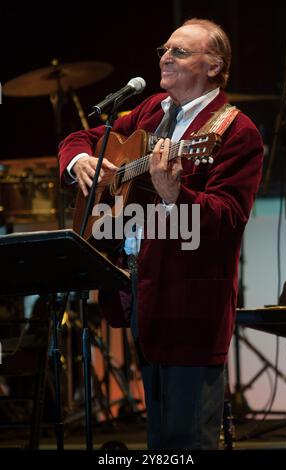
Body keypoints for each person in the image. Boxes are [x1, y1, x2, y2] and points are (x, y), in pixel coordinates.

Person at [58, 18, 263, 449]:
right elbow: (81, 137)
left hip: (191, 307)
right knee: (158, 441)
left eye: (181, 51)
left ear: (215, 66)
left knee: (188, 440)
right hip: (140, 297)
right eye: (165, 49)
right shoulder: (151, 109)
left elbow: (228, 219)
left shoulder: (235, 131)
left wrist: (176, 196)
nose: (166, 57)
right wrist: (79, 162)